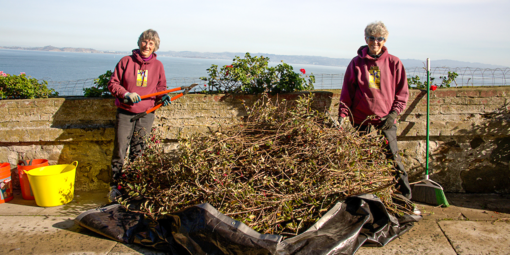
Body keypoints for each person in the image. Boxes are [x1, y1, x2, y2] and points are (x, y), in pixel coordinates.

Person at [338, 21, 412, 199]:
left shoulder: (394, 63)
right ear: (366, 39)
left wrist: (393, 115)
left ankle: (405, 196)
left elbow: (402, 94)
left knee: (393, 158)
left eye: (380, 39)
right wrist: (342, 115)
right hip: (360, 119)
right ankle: (364, 196)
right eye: (372, 38)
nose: (376, 42)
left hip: (385, 119)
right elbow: (347, 92)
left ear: (385, 41)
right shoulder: (356, 63)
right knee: (361, 159)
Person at [107, 29, 171, 202]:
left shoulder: (158, 66)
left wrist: (163, 96)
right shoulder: (126, 61)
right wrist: (126, 93)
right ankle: (115, 187)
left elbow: (160, 88)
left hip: (146, 113)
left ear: (155, 46)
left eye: (151, 43)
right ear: (139, 42)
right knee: (120, 150)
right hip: (126, 112)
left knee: (139, 151)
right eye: (144, 41)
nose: (147, 45)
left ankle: (134, 187)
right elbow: (113, 84)